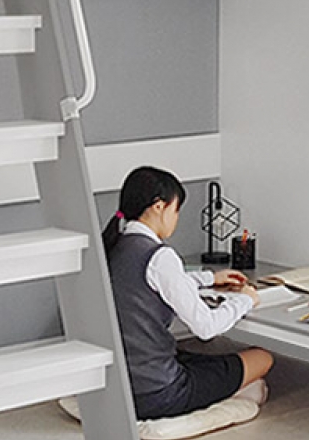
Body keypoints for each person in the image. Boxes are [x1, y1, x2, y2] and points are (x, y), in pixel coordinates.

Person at [101, 166, 274, 420]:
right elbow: (206, 328)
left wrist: (210, 278)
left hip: (124, 385)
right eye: (176, 210)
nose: (176, 218)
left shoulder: (115, 246)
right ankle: (231, 393)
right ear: (158, 207)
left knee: (198, 359)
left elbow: (150, 284)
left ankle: (232, 389)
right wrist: (246, 299)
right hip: (158, 394)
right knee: (262, 358)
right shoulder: (159, 256)